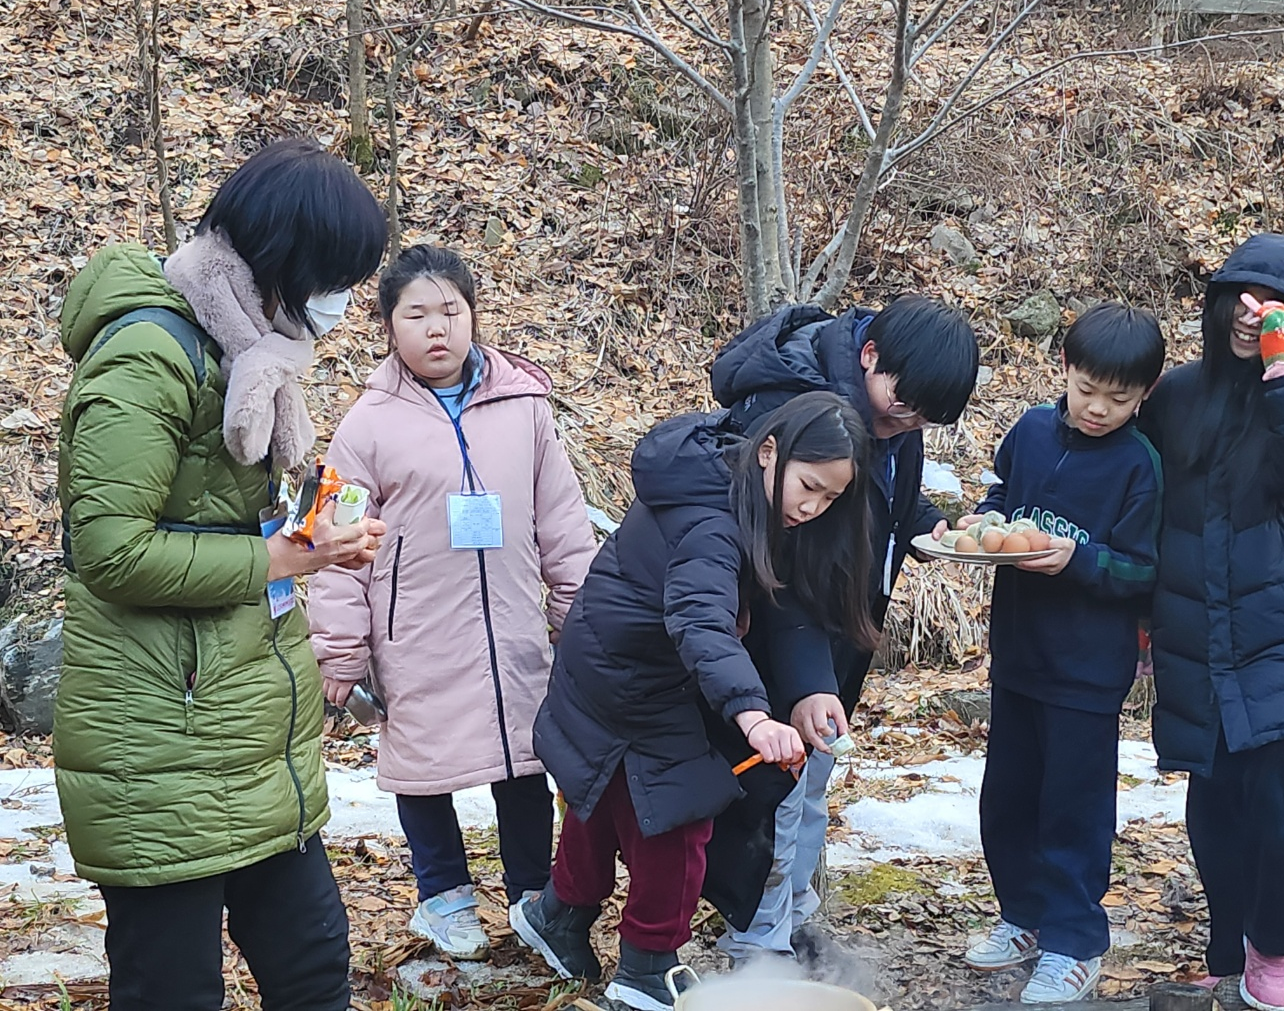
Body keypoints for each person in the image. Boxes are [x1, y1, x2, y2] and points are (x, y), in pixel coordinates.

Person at [54, 139, 388, 1011]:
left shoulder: (248, 352)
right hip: (157, 742)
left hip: (253, 731)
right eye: (333, 278)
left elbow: (217, 510)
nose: (340, 302)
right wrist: (280, 559)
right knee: (173, 989)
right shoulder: (148, 354)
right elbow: (111, 549)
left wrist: (312, 529)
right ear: (284, 260)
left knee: (313, 971)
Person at [510, 391, 880, 1011]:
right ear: (769, 452)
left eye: (830, 498)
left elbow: (786, 604)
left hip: (626, 664)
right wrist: (753, 715)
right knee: (680, 816)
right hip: (631, 674)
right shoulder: (712, 519)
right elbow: (700, 621)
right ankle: (647, 969)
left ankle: (558, 914)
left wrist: (808, 689)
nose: (813, 508)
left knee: (610, 793)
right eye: (809, 487)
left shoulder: (755, 497)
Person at [310, 245, 595, 958]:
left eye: (451, 311)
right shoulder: (367, 424)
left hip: (514, 626)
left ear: (473, 315)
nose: (437, 329)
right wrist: (340, 649)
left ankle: (532, 896)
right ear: (388, 326)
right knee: (422, 765)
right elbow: (336, 547)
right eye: (417, 315)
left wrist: (579, 615)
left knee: (525, 761)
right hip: (413, 630)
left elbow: (562, 520)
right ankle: (444, 898)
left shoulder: (525, 407)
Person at [705, 295, 980, 962]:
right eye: (903, 407)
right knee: (771, 794)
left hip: (838, 638)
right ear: (868, 356)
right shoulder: (796, 410)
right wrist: (804, 681)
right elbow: (777, 563)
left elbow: (888, 494)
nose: (907, 423)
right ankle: (757, 947)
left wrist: (928, 525)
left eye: (923, 419)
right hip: (773, 644)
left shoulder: (893, 412)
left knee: (809, 788)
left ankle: (793, 922)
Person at [1138, 233, 1284, 1011]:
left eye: (1274, 304)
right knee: (1215, 803)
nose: (1249, 312)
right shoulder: (1176, 396)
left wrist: (1283, 368)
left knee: (1274, 788)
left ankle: (1276, 947)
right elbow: (1138, 489)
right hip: (1194, 628)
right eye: (1240, 295)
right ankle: (1228, 951)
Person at [959, 302, 1165, 1003]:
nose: (1098, 409)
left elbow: (1144, 569)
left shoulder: (1138, 465)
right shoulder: (1030, 432)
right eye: (1086, 390)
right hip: (1018, 653)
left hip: (1087, 670)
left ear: (1145, 395)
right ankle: (1022, 916)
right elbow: (1000, 491)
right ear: (1065, 370)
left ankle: (1074, 942)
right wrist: (985, 520)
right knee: (1007, 800)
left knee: (1072, 810)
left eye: (1119, 399)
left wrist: (1080, 559)